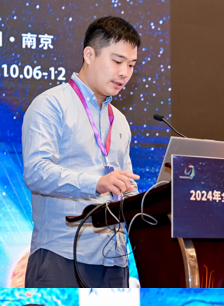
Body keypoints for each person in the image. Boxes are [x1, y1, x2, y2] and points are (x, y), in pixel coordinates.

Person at [21, 16, 140, 289]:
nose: (124, 73)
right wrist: (96, 183)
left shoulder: (120, 121)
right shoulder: (51, 105)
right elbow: (37, 172)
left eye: (131, 65)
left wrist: (149, 201)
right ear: (89, 55)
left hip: (115, 260)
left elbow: (125, 186)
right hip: (60, 255)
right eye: (117, 61)